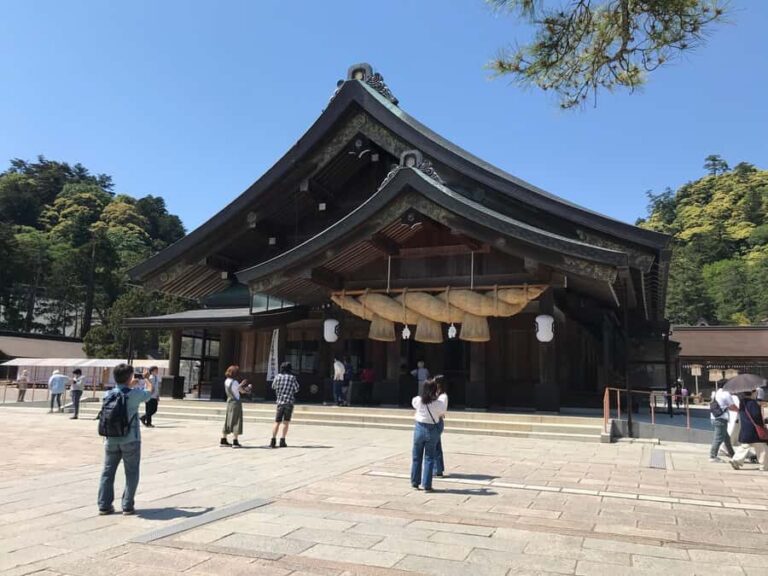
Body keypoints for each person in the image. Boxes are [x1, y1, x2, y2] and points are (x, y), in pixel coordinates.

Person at [97, 364, 153, 515]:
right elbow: (149, 392)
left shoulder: (108, 394)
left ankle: (104, 505)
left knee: (108, 472)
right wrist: (147, 379)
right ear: (129, 377)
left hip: (111, 438)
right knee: (132, 472)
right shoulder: (134, 394)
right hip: (130, 438)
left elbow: (120, 390)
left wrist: (128, 384)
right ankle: (127, 505)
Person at [410, 379, 447, 492]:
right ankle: (427, 484)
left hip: (419, 428)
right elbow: (441, 413)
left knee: (416, 457)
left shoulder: (418, 400)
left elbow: (414, 404)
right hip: (432, 429)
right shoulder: (438, 403)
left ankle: (415, 482)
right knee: (429, 457)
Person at [730, 391, 768, 471]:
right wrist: (763, 424)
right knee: (762, 448)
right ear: (753, 393)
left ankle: (736, 461)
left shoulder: (742, 403)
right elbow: (756, 415)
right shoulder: (753, 403)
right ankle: (764, 466)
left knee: (745, 446)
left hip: (745, 429)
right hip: (755, 430)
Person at [270, 362, 300, 448]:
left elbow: (273, 386)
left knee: (277, 422)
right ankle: (282, 440)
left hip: (279, 402)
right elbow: (297, 389)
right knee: (286, 422)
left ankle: (273, 440)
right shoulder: (292, 378)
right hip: (289, 402)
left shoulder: (277, 377)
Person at [220, 365, 250, 448]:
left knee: (228, 420)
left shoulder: (226, 381)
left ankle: (223, 439)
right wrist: (247, 388)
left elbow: (235, 388)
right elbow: (242, 391)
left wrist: (240, 385)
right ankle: (235, 441)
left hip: (229, 401)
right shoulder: (235, 382)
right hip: (236, 403)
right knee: (237, 421)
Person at [710, 381, 737, 462]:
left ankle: (732, 454)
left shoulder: (717, 392)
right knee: (718, 438)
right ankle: (713, 456)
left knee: (726, 438)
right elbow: (732, 407)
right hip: (721, 419)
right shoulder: (726, 394)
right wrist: (741, 410)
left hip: (714, 417)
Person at [434, 375, 449, 477]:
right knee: (436, 445)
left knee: (435, 446)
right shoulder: (436, 394)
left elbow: (441, 410)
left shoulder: (443, 396)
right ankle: (439, 468)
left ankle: (437, 469)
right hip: (433, 420)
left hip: (437, 421)